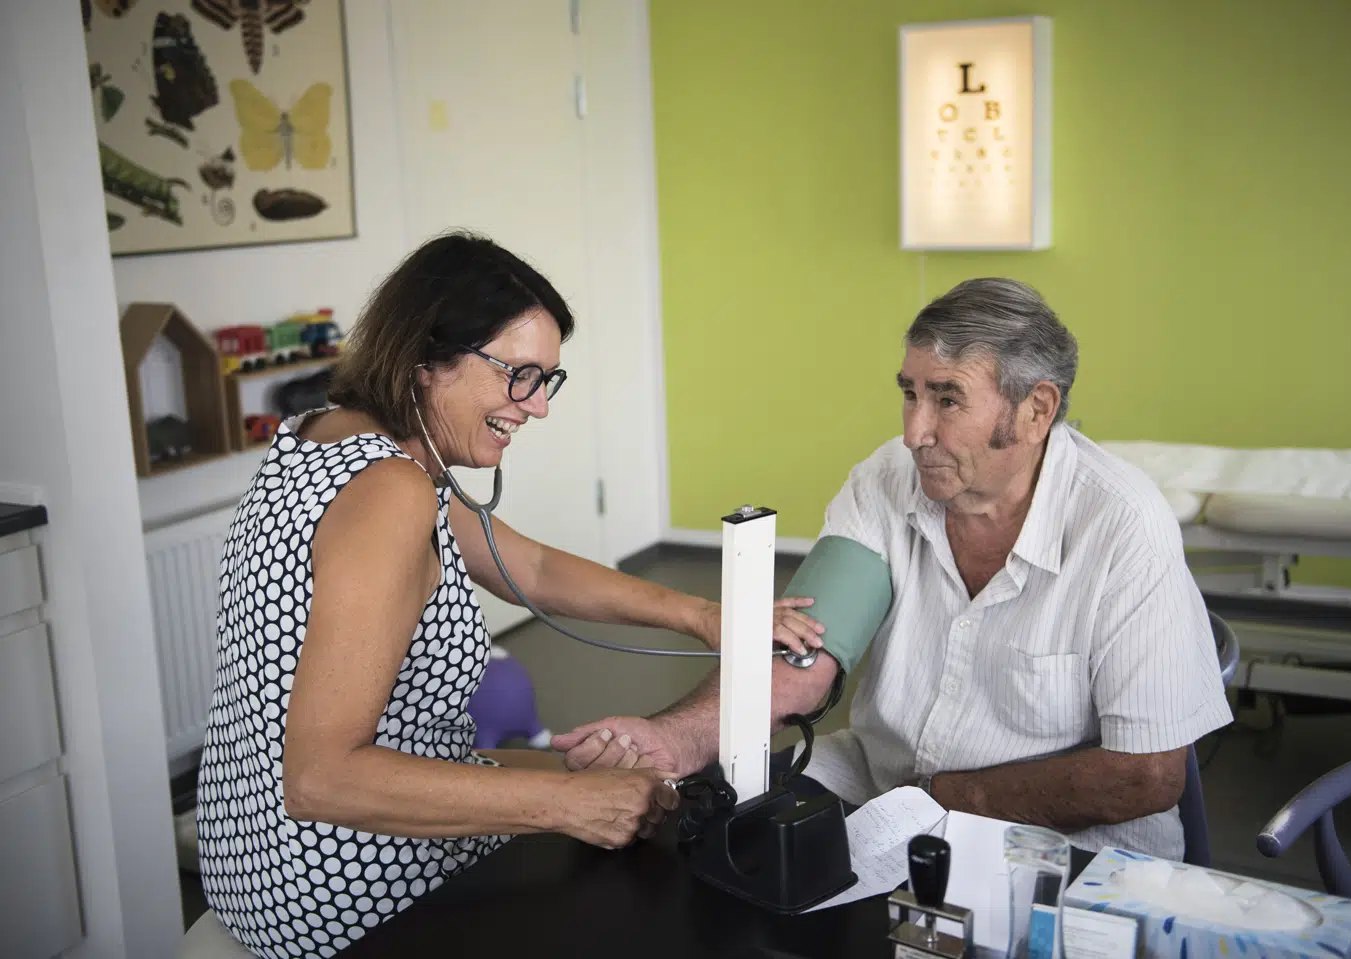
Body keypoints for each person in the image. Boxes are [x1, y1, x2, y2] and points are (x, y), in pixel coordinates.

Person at [194, 232, 825, 958]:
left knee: (629, 787)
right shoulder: (390, 490)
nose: (536, 406)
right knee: (634, 851)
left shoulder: (327, 437)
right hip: (340, 890)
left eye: (546, 380)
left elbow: (530, 567)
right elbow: (320, 777)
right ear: (428, 358)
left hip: (249, 857)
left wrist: (707, 615)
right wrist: (564, 804)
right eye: (518, 375)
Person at [555, 278, 1233, 862]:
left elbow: (1146, 775)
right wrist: (672, 740)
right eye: (909, 393)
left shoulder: (1123, 526)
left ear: (1036, 410)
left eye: (947, 399)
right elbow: (802, 658)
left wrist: (948, 801)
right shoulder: (886, 481)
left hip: (1061, 846)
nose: (914, 431)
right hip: (885, 799)